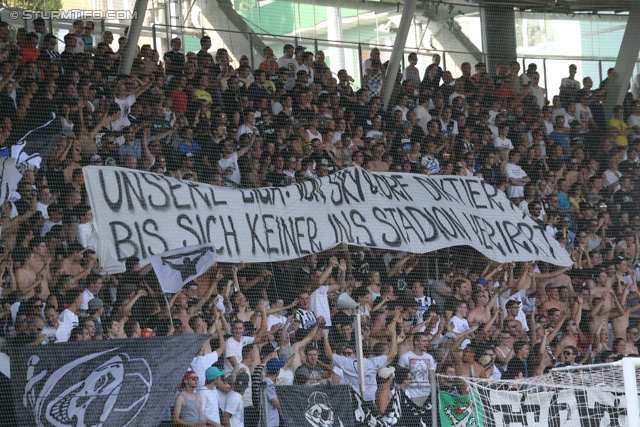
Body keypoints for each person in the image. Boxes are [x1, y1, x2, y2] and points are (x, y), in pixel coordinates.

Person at [398, 333, 437, 407]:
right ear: (416, 342)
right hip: (412, 394)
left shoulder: (429, 357)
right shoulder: (405, 357)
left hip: (427, 393)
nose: (426, 343)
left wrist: (433, 392)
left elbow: (431, 376)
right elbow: (400, 375)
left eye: (427, 341)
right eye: (424, 341)